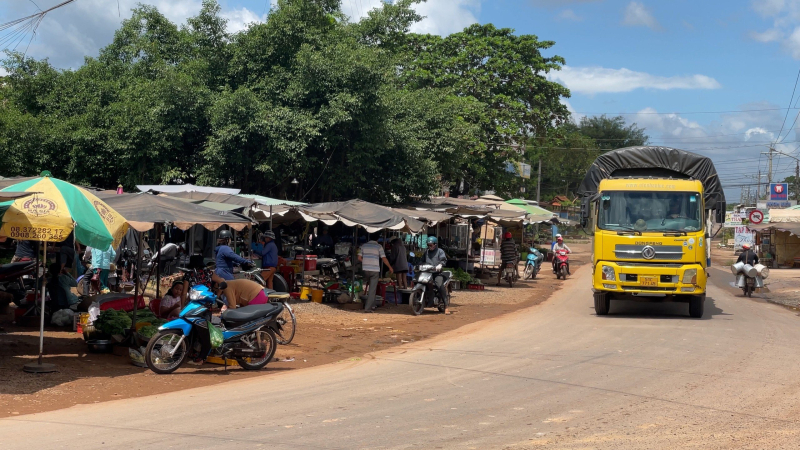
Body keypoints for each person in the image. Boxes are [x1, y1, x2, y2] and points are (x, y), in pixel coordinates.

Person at [358, 238, 394, 313]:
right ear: (377, 239)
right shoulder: (378, 246)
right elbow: (384, 259)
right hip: (374, 270)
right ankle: (367, 308)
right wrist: (390, 267)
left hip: (365, 269)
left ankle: (372, 304)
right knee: (372, 290)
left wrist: (365, 261)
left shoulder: (363, 246)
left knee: (369, 286)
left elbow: (359, 258)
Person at [423, 236, 450, 314]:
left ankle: (446, 306)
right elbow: (421, 261)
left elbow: (443, 260)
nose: (429, 247)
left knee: (439, 285)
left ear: (435, 244)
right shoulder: (426, 252)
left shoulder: (440, 251)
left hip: (437, 273)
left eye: (431, 245)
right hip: (427, 273)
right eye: (428, 245)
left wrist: (440, 265)